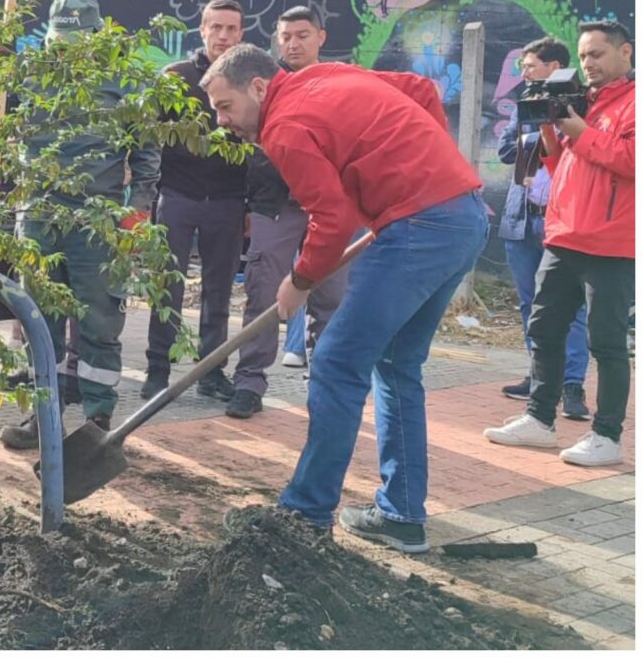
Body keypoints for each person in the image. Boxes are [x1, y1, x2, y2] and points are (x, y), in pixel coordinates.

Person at [202, 43, 489, 551]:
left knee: (335, 363)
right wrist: (423, 170)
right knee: (396, 365)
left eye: (226, 107)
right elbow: (422, 90)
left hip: (419, 228)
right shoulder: (325, 74)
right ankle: (401, 517)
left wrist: (300, 279)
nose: (222, 121)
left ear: (259, 87)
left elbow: (330, 219)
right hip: (462, 218)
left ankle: (304, 516)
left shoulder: (284, 128)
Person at [5, 0, 162, 445]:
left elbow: (147, 150)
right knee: (39, 321)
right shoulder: (28, 74)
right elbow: (0, 130)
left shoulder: (127, 79)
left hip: (98, 221)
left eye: (78, 40)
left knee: (98, 321)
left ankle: (97, 422)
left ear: (97, 34)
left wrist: (138, 208)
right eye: (61, 39)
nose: (68, 50)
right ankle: (43, 418)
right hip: (38, 217)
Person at [486, 20, 632, 469]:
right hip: (564, 235)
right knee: (544, 329)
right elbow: (559, 163)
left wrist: (580, 130)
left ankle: (607, 435)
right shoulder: (581, 101)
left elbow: (629, 160)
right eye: (584, 55)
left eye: (597, 54)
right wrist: (550, 128)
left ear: (626, 53)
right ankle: (539, 419)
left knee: (605, 341)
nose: (588, 63)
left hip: (612, 242)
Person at [230, 6, 347, 417]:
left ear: (321, 37)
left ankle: (325, 384)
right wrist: (248, 205)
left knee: (330, 298)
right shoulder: (263, 84)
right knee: (262, 294)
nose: (293, 43)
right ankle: (249, 383)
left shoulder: (339, 81)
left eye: (302, 35)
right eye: (285, 37)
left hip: (328, 206)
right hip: (272, 204)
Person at [137, 0, 251, 404]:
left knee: (218, 293)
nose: (223, 36)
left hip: (229, 201)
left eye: (231, 29)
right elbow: (146, 136)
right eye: (216, 27)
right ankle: (157, 372)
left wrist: (251, 205)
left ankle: (211, 373)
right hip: (178, 197)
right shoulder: (175, 77)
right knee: (166, 287)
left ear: (241, 33)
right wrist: (147, 194)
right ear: (201, 30)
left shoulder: (251, 81)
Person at [492, 37, 591, 419]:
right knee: (529, 304)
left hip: (563, 220)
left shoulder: (581, 101)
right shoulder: (526, 102)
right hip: (523, 216)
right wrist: (537, 128)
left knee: (572, 307)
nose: (524, 72)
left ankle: (572, 386)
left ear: (555, 66)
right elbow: (504, 150)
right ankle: (538, 377)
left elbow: (580, 147)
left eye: (530, 65)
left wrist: (556, 126)